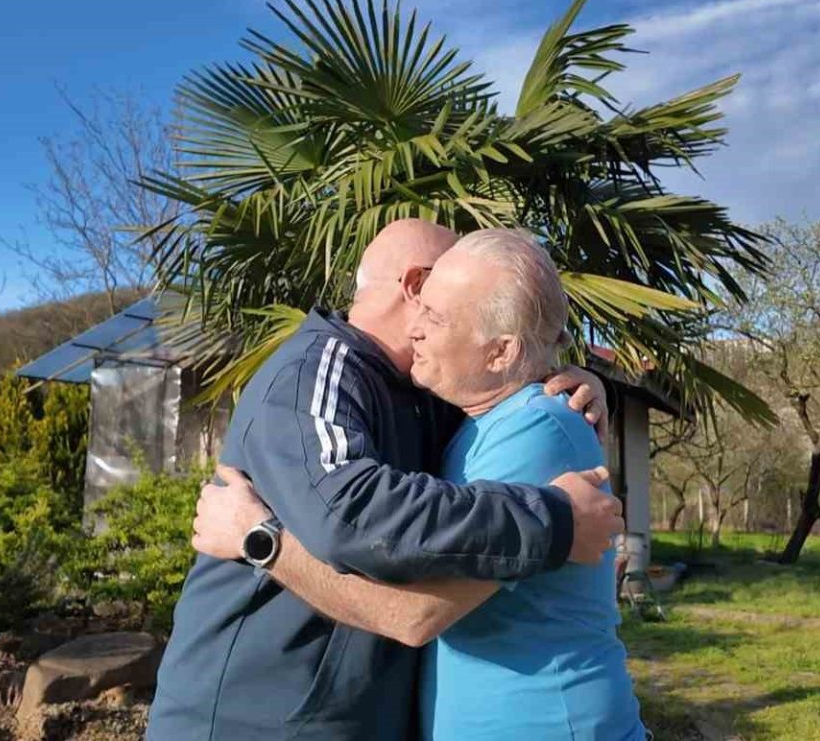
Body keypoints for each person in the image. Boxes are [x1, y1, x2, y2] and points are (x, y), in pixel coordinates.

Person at [145, 219, 625, 740]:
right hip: (254, 719)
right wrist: (554, 521)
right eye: (438, 299)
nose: (426, 328)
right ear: (416, 285)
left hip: (338, 719)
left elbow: (510, 392)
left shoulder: (430, 395)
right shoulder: (317, 374)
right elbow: (354, 517)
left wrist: (577, 381)